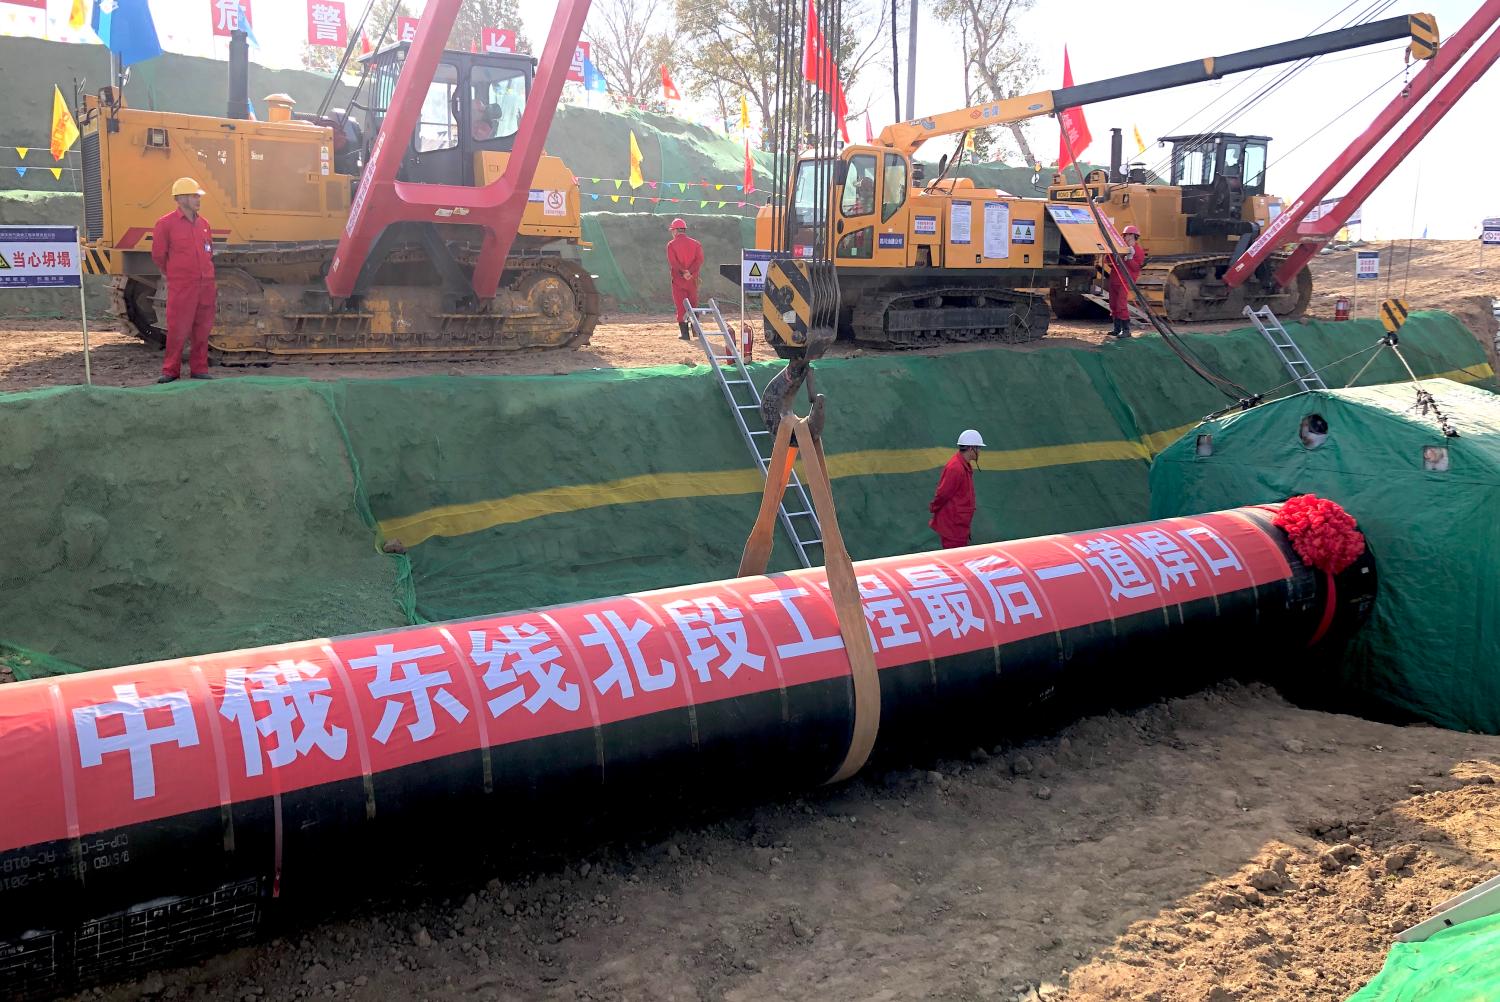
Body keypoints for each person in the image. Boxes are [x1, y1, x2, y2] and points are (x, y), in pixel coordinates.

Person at [150, 177, 217, 382]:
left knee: (202, 328)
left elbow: (209, 252)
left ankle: (199, 369)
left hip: (206, 285)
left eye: (198, 196)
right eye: (193, 196)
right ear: (180, 198)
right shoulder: (165, 224)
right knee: (178, 328)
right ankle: (171, 371)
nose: (198, 200)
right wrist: (174, 274)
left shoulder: (204, 224)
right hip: (182, 285)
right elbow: (159, 255)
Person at [929, 429, 984, 549]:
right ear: (971, 448)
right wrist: (934, 508)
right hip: (953, 527)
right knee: (955, 560)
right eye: (978, 448)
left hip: (958, 526)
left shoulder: (963, 466)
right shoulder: (956, 468)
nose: (979, 451)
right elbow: (942, 494)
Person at [666, 218, 703, 340]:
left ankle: (685, 334)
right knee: (693, 304)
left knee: (681, 306)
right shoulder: (696, 244)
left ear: (676, 230)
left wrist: (683, 272)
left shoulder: (671, 245)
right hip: (693, 280)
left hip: (678, 281)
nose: (672, 232)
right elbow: (699, 260)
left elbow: (673, 262)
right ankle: (696, 331)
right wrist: (690, 272)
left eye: (672, 230)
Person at [1107, 225, 1146, 338]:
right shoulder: (1120, 248)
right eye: (1125, 235)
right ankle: (1117, 329)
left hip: (1125, 281)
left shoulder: (1138, 251)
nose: (1127, 237)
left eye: (1129, 235)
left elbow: (1136, 268)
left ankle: (1126, 330)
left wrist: (1129, 258)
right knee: (1113, 304)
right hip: (1114, 279)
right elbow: (1109, 261)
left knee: (1121, 305)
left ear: (1135, 236)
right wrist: (1113, 254)